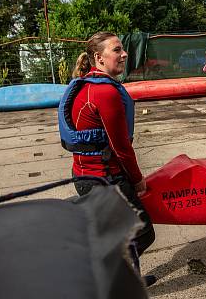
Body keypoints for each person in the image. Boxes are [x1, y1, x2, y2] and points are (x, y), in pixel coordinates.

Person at [58, 31, 156, 255]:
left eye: (122, 49)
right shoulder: (105, 92)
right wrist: (138, 179)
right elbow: (121, 147)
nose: (124, 54)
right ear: (99, 58)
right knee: (143, 234)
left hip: (84, 176)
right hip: (104, 180)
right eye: (117, 50)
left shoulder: (85, 85)